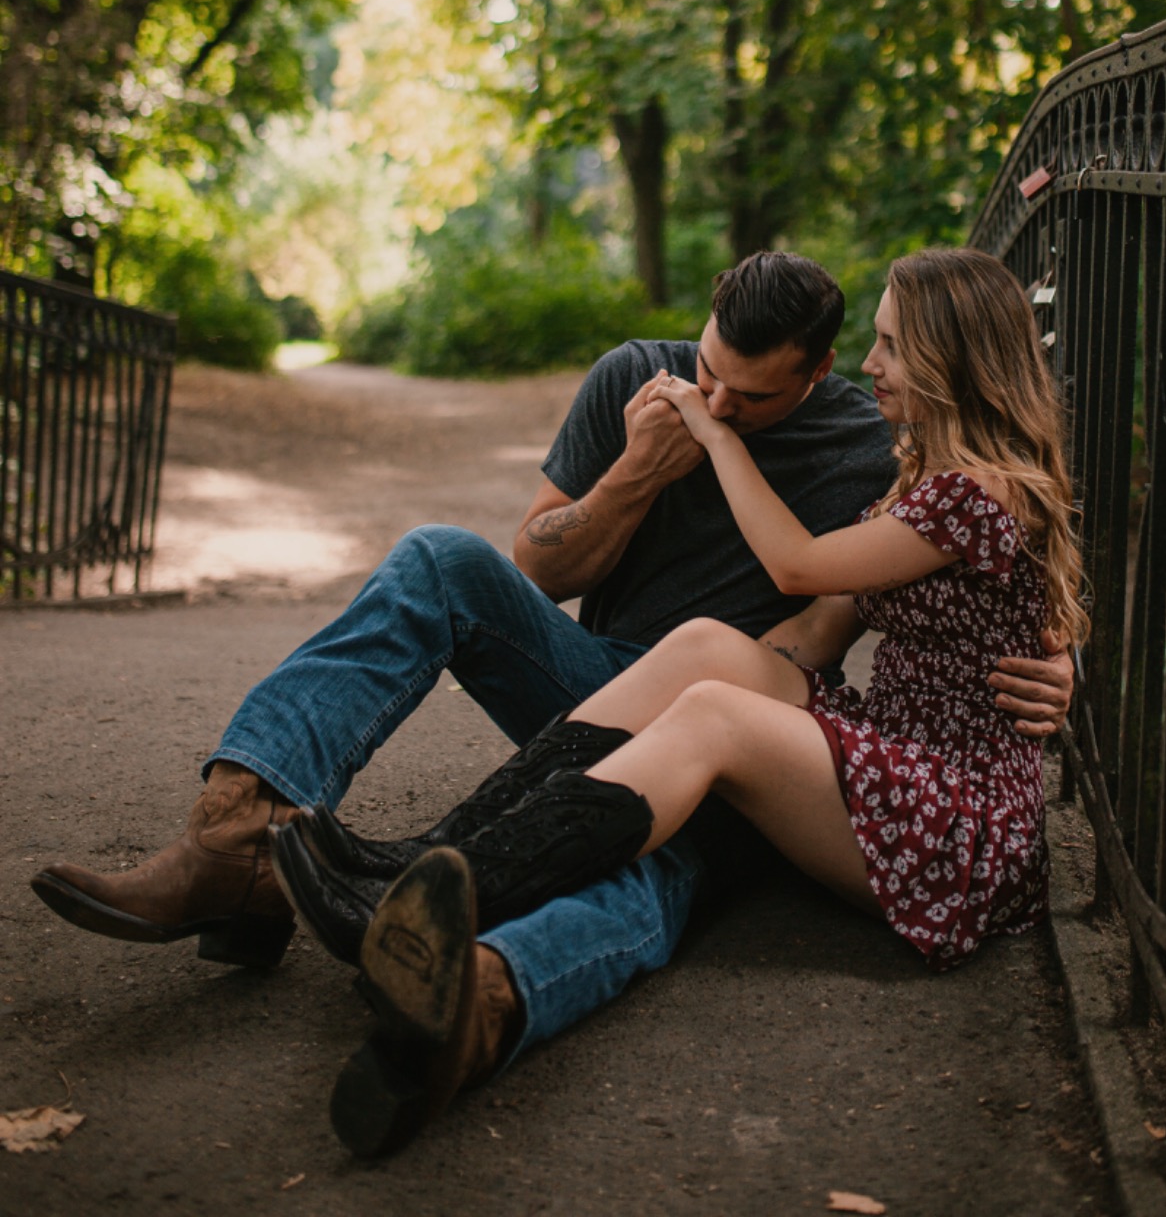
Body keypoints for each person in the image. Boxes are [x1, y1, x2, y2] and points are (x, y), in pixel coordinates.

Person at [32, 252, 1072, 1091]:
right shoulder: (640, 380)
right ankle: (246, 833)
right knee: (456, 561)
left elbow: (978, 560)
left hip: (782, 758)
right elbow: (546, 568)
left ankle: (486, 991)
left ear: (820, 370)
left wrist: (1060, 661)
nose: (714, 395)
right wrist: (634, 471)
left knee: (679, 812)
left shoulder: (871, 438)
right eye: (707, 367)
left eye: (750, 395)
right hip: (609, 677)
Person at [302, 247, 1087, 1160]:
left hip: (954, 821)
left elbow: (797, 567)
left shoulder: (971, 493)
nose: (876, 364)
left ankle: (451, 898)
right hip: (901, 753)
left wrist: (714, 442)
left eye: (893, 348)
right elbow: (826, 623)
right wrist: (706, 679)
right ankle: (422, 867)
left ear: (955, 360)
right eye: (874, 343)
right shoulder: (923, 468)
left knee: (713, 715)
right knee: (708, 655)